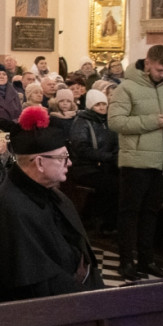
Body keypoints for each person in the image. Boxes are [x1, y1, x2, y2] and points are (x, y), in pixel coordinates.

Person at [0, 106, 104, 300]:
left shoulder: (55, 195)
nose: (69, 163)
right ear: (39, 163)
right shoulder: (8, 209)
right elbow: (33, 282)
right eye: (63, 157)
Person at [107, 45, 163, 280]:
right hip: (136, 161)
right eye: (160, 69)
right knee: (130, 212)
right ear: (148, 63)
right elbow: (116, 122)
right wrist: (154, 121)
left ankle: (147, 260)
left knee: (151, 213)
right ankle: (126, 262)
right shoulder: (127, 88)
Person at [68, 89, 119, 235]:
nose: (102, 107)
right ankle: (104, 223)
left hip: (105, 166)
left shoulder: (108, 121)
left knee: (127, 181)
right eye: (98, 105)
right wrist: (108, 157)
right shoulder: (82, 122)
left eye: (104, 104)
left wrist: (116, 154)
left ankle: (112, 221)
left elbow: (116, 142)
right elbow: (81, 148)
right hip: (86, 168)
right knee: (112, 185)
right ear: (91, 106)